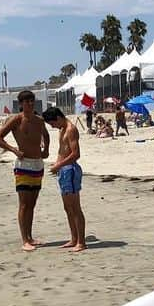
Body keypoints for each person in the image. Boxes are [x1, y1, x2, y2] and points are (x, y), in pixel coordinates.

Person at [0, 90, 50, 252]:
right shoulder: (16, 120)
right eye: (26, 102)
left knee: (32, 203)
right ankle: (24, 239)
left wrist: (46, 149)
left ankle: (30, 237)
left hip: (38, 164)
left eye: (32, 101)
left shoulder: (39, 120)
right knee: (24, 204)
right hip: (23, 166)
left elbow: (46, 135)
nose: (30, 104)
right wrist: (13, 150)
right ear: (21, 104)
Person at [42, 107, 86, 252]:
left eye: (52, 123)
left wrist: (59, 165)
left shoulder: (70, 129)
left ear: (58, 118)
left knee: (75, 208)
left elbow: (75, 154)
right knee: (67, 208)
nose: (52, 126)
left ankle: (81, 241)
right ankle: (74, 238)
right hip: (63, 170)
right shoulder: (62, 129)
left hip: (70, 170)